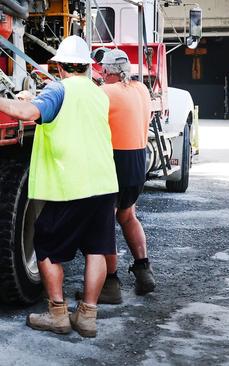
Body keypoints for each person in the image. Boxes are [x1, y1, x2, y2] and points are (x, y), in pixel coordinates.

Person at [0, 35, 118, 337]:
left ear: (61, 66)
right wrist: (36, 99)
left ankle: (57, 313)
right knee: (97, 250)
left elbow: (30, 114)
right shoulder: (98, 94)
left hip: (71, 184)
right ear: (86, 67)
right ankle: (88, 316)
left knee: (47, 248)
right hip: (104, 183)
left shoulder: (58, 89)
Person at [96, 49, 155, 302]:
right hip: (138, 161)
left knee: (105, 222)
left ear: (107, 71)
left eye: (102, 70)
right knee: (128, 215)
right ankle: (144, 271)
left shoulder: (105, 93)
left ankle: (110, 284)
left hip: (115, 161)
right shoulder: (142, 89)